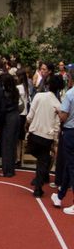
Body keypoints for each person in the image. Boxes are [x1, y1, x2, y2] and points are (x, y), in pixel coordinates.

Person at [26, 74, 63, 197]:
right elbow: (57, 126)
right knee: (43, 160)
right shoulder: (58, 104)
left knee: (40, 158)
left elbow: (30, 116)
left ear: (48, 84)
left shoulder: (39, 96)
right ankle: (38, 185)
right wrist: (55, 140)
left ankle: (39, 181)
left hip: (34, 133)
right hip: (47, 137)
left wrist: (28, 125)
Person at [52, 76, 74, 214]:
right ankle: (60, 196)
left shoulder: (70, 94)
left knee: (71, 166)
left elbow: (64, 117)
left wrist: (58, 111)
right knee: (68, 165)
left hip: (70, 132)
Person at [0, 71, 22, 178]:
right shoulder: (15, 91)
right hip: (16, 116)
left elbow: (3, 109)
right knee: (13, 144)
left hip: (9, 118)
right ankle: (11, 169)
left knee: (6, 145)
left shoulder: (5, 94)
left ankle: (6, 170)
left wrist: (0, 120)